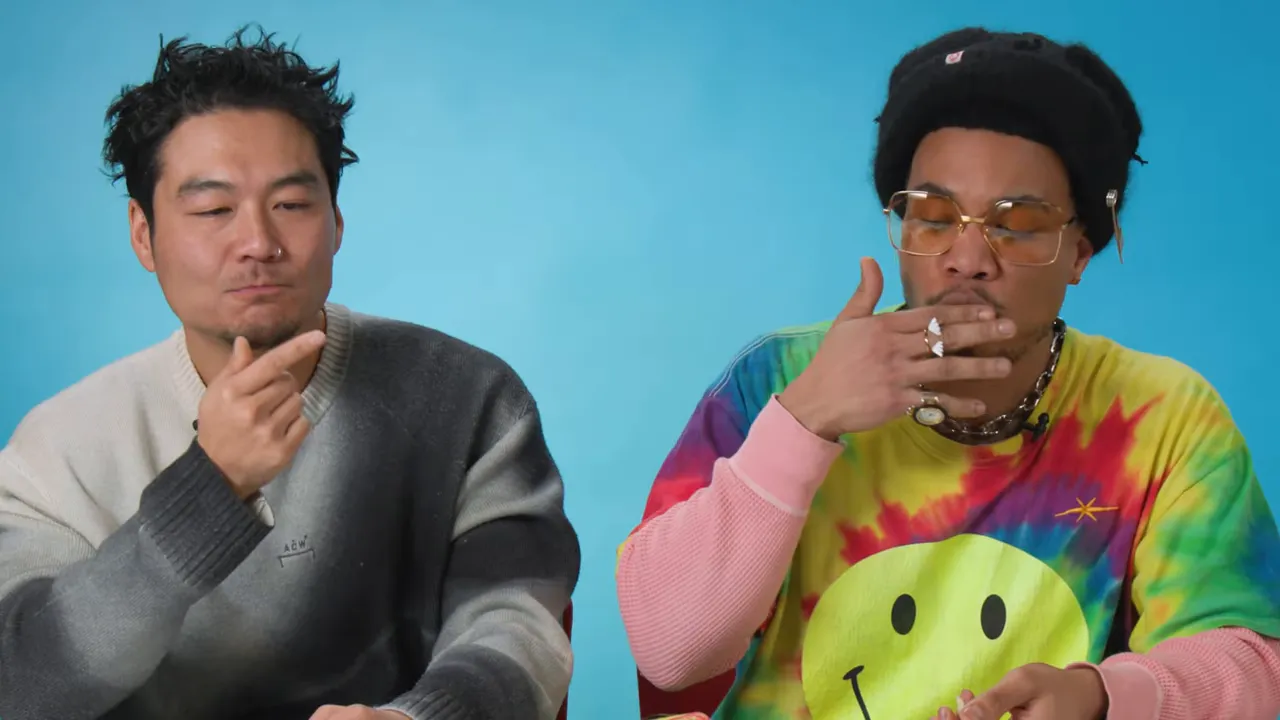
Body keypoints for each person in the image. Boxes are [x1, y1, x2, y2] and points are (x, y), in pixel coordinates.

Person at [616, 27, 1280, 720]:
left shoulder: (1161, 416)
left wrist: (1101, 696)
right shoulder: (780, 377)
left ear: (1080, 253)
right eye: (932, 217)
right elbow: (670, 653)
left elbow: (1254, 668)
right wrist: (804, 422)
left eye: (1017, 223)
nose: (967, 257)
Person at [0, 28, 579, 720]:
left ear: (336, 220)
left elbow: (519, 627)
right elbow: (22, 688)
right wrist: (209, 489)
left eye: (292, 205)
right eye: (213, 209)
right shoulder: (57, 453)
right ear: (142, 233)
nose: (258, 243)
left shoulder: (467, 400)